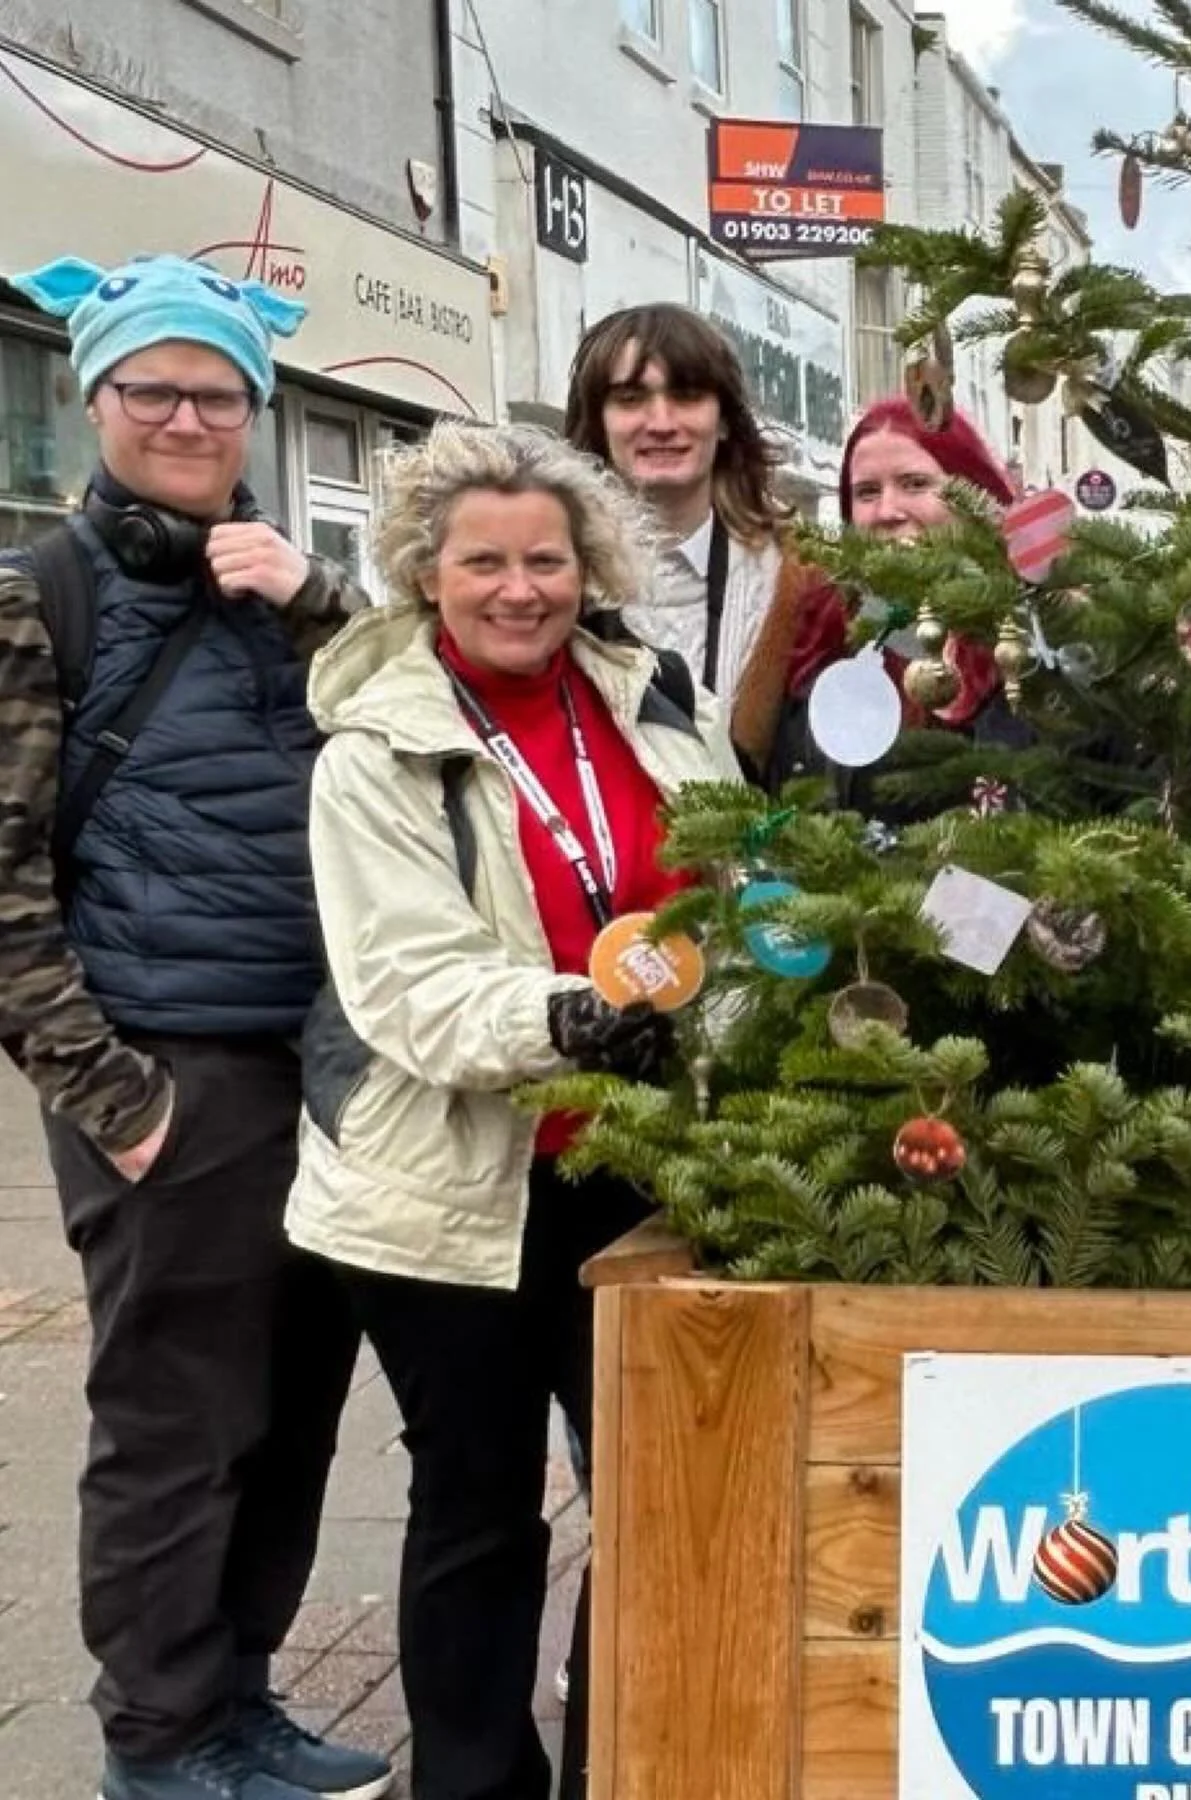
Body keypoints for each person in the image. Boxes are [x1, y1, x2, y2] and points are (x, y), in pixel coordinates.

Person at [284, 420, 740, 1800]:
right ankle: (477, 1787)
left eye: (545, 558)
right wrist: (578, 1017)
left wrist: (718, 1014)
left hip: (633, 1166)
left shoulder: (649, 697)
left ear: (584, 561)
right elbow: (409, 987)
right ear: (429, 572)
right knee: (477, 1509)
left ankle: (628, 1763)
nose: (518, 588)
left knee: (656, 1497)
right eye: (484, 562)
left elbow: (728, 886)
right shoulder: (372, 749)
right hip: (446, 1188)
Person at [0, 254, 391, 1800]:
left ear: (254, 412)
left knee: (292, 1413)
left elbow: (416, 721)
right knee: (175, 1425)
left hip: (318, 1070)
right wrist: (114, 1094)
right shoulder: (43, 602)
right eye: (152, 388)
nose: (185, 415)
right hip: (170, 1075)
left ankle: (238, 1703)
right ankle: (156, 1744)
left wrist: (324, 603)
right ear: (95, 400)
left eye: (215, 393)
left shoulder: (275, 593)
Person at [562, 301, 812, 770]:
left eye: (687, 396)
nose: (660, 423)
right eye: (631, 398)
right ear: (598, 421)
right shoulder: (551, 578)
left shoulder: (797, 582)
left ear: (723, 421)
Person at [754, 394, 1021, 789]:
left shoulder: (1033, 632)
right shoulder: (817, 640)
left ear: (973, 495)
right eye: (866, 492)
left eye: (915, 484)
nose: (887, 512)